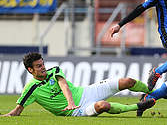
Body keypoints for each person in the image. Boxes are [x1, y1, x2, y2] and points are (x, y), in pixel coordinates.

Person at [1, 52, 155, 117]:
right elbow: (17, 110)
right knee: (103, 106)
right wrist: (4, 116)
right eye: (39, 66)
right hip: (77, 111)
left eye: (43, 64)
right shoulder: (31, 89)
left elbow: (64, 85)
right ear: (30, 69)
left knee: (127, 81)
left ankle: (150, 89)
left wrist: (70, 102)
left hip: (86, 92)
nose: (43, 68)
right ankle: (139, 107)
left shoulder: (53, 71)